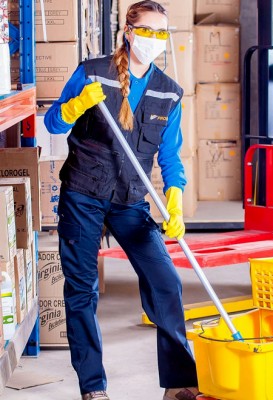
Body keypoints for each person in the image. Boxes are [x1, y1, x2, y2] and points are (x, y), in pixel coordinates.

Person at [44, 1, 198, 399]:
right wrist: (76, 105)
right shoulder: (93, 72)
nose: (154, 40)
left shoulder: (169, 92)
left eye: (161, 33)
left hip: (130, 200)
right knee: (82, 290)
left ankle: (179, 382)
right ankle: (93, 388)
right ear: (129, 32)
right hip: (84, 195)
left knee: (166, 282)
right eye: (147, 31)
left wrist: (175, 202)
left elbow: (169, 156)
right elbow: (52, 123)